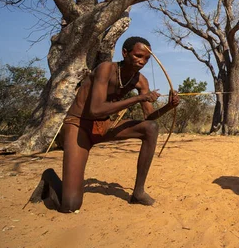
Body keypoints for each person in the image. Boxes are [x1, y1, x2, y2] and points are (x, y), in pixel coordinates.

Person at [30, 36, 180, 212]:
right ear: (125, 53)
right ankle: (49, 177)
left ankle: (138, 193)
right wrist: (138, 98)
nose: (142, 61)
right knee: (70, 206)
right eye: (138, 56)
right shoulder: (106, 69)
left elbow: (149, 116)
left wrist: (169, 106)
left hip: (104, 126)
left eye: (146, 58)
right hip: (79, 126)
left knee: (150, 128)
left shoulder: (141, 81)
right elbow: (95, 110)